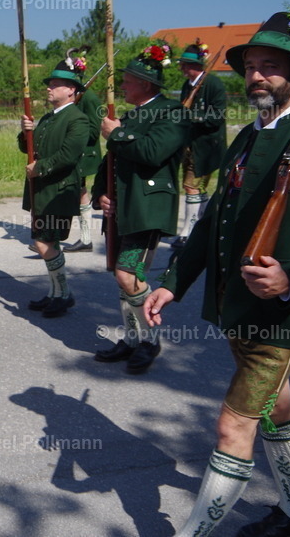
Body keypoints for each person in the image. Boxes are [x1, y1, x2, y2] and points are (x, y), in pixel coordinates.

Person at [144, 8, 290, 536]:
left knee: (233, 423)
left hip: (283, 314)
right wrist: (174, 281)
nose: (257, 76)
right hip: (235, 302)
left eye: (271, 65)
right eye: (250, 66)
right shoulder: (248, 137)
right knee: (275, 408)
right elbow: (214, 219)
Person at [91, 42, 189, 374]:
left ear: (145, 84)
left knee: (128, 274)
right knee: (124, 279)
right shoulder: (132, 116)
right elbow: (110, 162)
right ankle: (132, 340)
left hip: (147, 208)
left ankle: (149, 339)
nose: (122, 87)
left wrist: (116, 133)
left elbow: (151, 152)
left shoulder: (172, 112)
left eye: (128, 81)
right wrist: (100, 194)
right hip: (121, 207)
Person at [18, 58, 90, 318]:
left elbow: (69, 155)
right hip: (41, 190)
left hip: (58, 189)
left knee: (45, 241)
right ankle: (55, 293)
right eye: (49, 85)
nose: (49, 88)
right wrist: (24, 131)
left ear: (71, 90)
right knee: (46, 241)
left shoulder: (78, 119)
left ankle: (63, 293)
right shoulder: (48, 118)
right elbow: (28, 147)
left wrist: (40, 167)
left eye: (55, 85)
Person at [173, 41, 227, 248]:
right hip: (190, 143)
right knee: (198, 189)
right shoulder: (188, 86)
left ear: (197, 66)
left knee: (191, 186)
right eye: (183, 64)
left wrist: (191, 116)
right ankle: (203, 227)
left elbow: (217, 116)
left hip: (207, 146)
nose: (183, 69)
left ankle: (188, 232)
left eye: (186, 65)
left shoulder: (213, 84)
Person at [64, 60, 103, 253]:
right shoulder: (72, 98)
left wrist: (71, 136)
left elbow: (95, 131)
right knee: (76, 192)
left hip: (84, 154)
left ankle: (85, 239)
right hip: (73, 153)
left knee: (78, 192)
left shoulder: (89, 98)